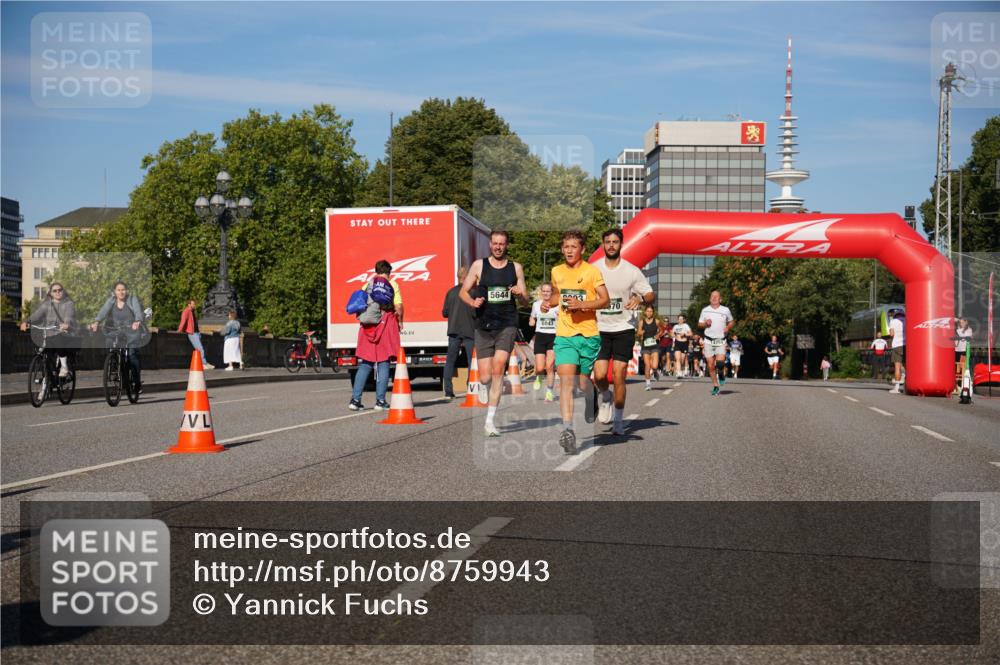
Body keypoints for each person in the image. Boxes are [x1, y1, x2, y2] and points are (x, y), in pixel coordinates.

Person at [459, 230, 529, 437]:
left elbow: (525, 298)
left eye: (502, 244)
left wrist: (520, 293)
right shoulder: (479, 266)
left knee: (499, 369)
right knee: (485, 376)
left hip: (507, 323)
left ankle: (490, 421)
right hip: (484, 324)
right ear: (490, 245)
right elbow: (464, 291)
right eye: (495, 243)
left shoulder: (515, 268)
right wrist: (473, 302)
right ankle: (484, 385)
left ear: (507, 245)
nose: (498, 247)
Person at [545, 229, 609, 455]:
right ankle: (568, 431)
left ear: (582, 249)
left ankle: (591, 398)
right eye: (565, 247)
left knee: (583, 384)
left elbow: (605, 300)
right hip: (564, 335)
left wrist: (583, 305)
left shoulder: (592, 272)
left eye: (573, 247)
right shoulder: (556, 271)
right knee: (566, 382)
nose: (569, 250)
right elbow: (556, 296)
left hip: (588, 335)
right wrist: (548, 303)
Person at [593, 228, 654, 436]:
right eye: (607, 241)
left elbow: (649, 293)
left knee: (619, 375)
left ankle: (618, 421)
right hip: (599, 327)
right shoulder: (593, 269)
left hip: (624, 328)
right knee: (600, 375)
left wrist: (639, 298)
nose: (611, 245)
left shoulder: (632, 270)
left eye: (615, 242)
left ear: (621, 244)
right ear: (603, 244)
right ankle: (605, 396)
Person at [350, 259, 404, 411]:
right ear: (388, 272)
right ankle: (380, 401)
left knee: (366, 363)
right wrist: (400, 321)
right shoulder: (392, 285)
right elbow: (398, 308)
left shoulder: (367, 285)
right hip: (384, 326)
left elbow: (360, 304)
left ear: (376, 271)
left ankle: (355, 400)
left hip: (367, 327)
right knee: (383, 362)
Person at [91, 281, 146, 390]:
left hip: (131, 330)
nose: (121, 292)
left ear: (126, 291)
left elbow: (138, 311)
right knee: (110, 342)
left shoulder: (131, 299)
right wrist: (97, 322)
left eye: (123, 290)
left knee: (132, 355)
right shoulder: (111, 301)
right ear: (114, 292)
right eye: (118, 290)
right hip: (117, 330)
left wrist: (137, 321)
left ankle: (136, 381)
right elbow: (103, 311)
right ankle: (114, 366)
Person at [20, 281, 77, 377]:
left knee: (59, 338)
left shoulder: (68, 303)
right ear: (51, 293)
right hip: (50, 334)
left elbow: (69, 315)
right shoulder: (47, 305)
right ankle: (46, 384)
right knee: (45, 355)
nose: (58, 292)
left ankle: (64, 366)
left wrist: (66, 324)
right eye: (55, 291)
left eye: (60, 290)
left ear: (63, 291)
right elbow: (36, 315)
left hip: (65, 333)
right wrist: (26, 322)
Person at [441, 266, 476, 399]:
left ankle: (448, 391)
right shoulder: (472, 293)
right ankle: (471, 387)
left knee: (450, 360)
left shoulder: (450, 292)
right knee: (471, 361)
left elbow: (444, 313)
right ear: (467, 278)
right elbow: (476, 312)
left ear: (458, 277)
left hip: (454, 330)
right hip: (469, 330)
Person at [698, 290, 735, 397]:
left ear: (720, 299)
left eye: (716, 296)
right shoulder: (705, 310)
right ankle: (715, 386)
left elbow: (731, 321)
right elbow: (699, 324)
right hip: (708, 340)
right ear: (710, 299)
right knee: (710, 366)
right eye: (712, 296)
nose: (714, 298)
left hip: (721, 340)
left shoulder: (725, 310)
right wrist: (705, 324)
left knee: (719, 363)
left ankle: (721, 374)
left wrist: (728, 327)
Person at [528, 282, 559, 402]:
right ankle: (539, 377)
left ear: (552, 293)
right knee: (540, 368)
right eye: (544, 291)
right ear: (541, 292)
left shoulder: (557, 305)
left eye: (548, 291)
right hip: (540, 337)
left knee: (549, 366)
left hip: (553, 336)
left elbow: (563, 318)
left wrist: (560, 316)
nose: (546, 293)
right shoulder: (536, 305)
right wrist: (531, 321)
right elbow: (532, 317)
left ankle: (549, 392)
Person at [178, 299, 213, 369]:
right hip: (192, 333)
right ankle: (204, 363)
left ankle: (203, 363)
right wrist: (179, 330)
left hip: (197, 333)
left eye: (194, 304)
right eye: (193, 304)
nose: (194, 305)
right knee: (200, 349)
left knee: (199, 349)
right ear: (189, 305)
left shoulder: (192, 312)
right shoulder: (186, 311)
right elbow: (183, 321)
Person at [638, 306, 662, 391]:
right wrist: (641, 332)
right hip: (645, 346)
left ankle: (655, 371)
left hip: (654, 346)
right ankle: (648, 384)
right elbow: (638, 333)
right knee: (647, 365)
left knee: (654, 365)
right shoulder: (642, 322)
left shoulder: (656, 321)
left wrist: (658, 335)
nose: (649, 313)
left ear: (653, 313)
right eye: (647, 311)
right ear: (645, 312)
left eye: (651, 311)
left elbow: (661, 330)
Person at [888, 308, 905, 394]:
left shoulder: (893, 321)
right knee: (908, 367)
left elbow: (891, 334)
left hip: (897, 345)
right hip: (907, 345)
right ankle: (907, 387)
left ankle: (897, 388)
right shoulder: (907, 320)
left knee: (897, 367)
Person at [954, 317, 974, 393]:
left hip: (964, 351)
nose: (961, 324)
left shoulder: (969, 330)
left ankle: (961, 385)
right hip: (957, 350)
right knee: (956, 367)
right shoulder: (957, 329)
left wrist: (958, 324)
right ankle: (956, 385)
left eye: (962, 322)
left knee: (962, 368)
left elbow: (963, 336)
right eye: (960, 323)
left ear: (966, 322)